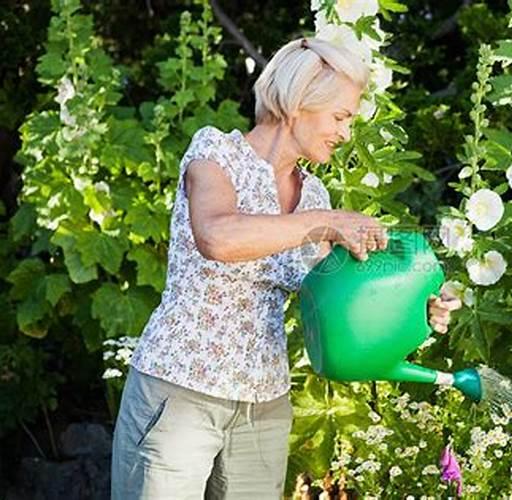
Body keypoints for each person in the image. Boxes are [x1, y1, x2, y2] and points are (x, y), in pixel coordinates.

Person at [110, 37, 461, 499]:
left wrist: (417, 308)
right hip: (180, 392)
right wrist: (323, 224)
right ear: (299, 103)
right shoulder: (216, 155)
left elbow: (338, 302)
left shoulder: (314, 197)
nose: (345, 132)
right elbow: (217, 236)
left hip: (263, 406)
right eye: (340, 117)